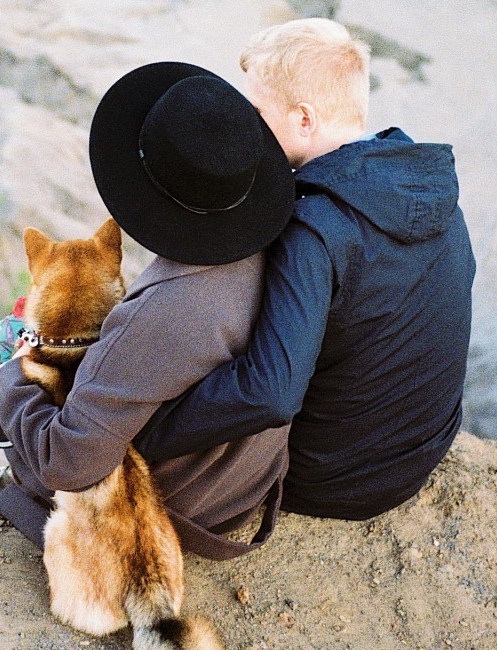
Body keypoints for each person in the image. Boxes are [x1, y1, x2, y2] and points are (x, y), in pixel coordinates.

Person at [0, 61, 298, 560]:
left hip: (159, 504)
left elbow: (71, 461)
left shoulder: (164, 313)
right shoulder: (276, 251)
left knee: (28, 338)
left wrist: (15, 375)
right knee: (52, 330)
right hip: (230, 485)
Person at [134, 18, 477, 520]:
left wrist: (147, 430)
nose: (244, 127)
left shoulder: (315, 226)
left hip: (330, 481)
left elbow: (270, 393)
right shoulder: (433, 190)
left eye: (256, 113)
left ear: (304, 119)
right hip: (418, 455)